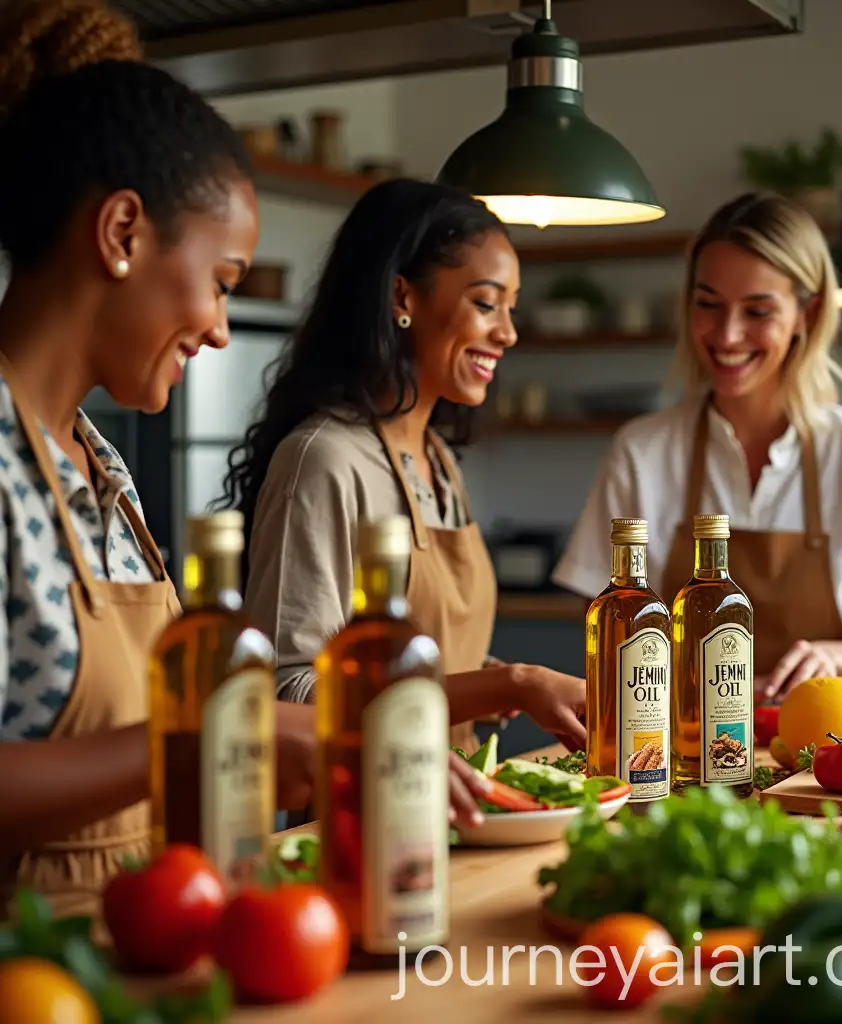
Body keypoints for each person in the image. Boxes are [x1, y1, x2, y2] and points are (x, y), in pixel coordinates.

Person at [0, 0, 487, 920]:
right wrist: (213, 738)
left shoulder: (98, 465)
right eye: (221, 282)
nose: (222, 329)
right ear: (121, 233)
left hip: (154, 948)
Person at [217, 177, 587, 769]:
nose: (508, 333)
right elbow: (289, 696)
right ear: (403, 298)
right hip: (356, 818)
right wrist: (509, 683)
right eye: (487, 303)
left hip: (455, 802)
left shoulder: (438, 461)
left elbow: (423, 658)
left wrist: (507, 685)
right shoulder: (326, 459)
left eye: (511, 309)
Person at [552, 192, 842, 701]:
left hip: (818, 757)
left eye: (758, 310)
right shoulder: (641, 452)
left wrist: (832, 656)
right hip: (677, 753)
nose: (727, 334)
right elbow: (606, 626)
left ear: (806, 315)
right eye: (709, 305)